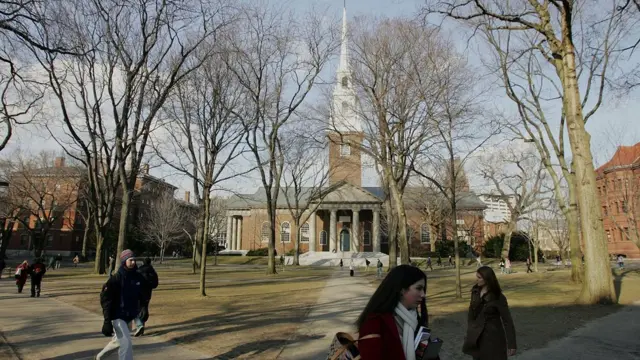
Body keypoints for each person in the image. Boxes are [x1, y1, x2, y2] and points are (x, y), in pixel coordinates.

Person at [357, 265, 429, 360]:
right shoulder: (374, 323)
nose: (423, 294)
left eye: (423, 289)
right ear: (402, 289)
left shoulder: (415, 319)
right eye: (419, 288)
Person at [97, 250, 149, 360]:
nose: (133, 262)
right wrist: (107, 321)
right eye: (131, 260)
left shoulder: (138, 277)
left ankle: (100, 357)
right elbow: (106, 300)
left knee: (118, 341)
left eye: (134, 260)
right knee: (126, 343)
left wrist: (144, 307)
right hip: (117, 317)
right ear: (124, 261)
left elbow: (142, 295)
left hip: (129, 316)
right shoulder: (115, 279)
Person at [463, 266, 516, 360]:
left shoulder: (498, 297)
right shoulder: (475, 292)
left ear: (487, 279)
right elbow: (471, 313)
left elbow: (507, 321)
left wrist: (512, 344)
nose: (476, 280)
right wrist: (470, 329)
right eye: (477, 277)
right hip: (477, 337)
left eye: (479, 278)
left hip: (493, 338)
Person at [134, 257, 159, 337]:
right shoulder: (153, 272)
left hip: (138, 292)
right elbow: (155, 284)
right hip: (148, 293)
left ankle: (140, 326)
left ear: (143, 262)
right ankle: (142, 328)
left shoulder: (139, 270)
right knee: (144, 308)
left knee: (137, 309)